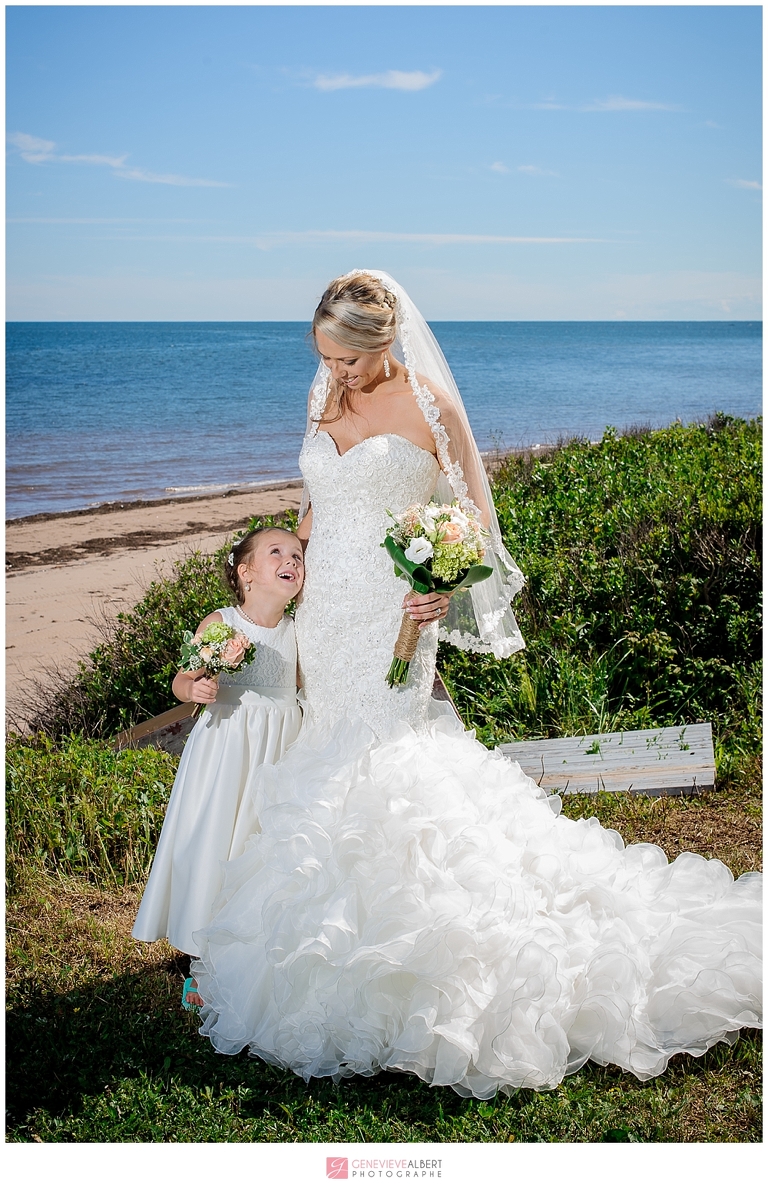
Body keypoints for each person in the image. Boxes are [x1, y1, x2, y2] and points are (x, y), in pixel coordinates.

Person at [189, 271, 761, 1097]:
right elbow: (320, 504)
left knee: (390, 759)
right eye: (325, 358)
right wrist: (283, 581)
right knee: (323, 759)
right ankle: (324, 947)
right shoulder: (322, 394)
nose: (336, 375)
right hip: (325, 612)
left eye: (349, 360)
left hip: (396, 617)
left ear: (384, 342)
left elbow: (475, 529)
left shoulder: (432, 409)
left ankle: (430, 961)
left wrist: (441, 587)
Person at [132, 526, 304, 1008]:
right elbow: (183, 678)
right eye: (277, 553)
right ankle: (198, 955)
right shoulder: (223, 621)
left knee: (258, 841)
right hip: (227, 745)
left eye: (297, 554)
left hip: (280, 745)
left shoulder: (298, 629)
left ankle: (253, 944)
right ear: (245, 572)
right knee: (211, 841)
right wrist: (194, 690)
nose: (292, 560)